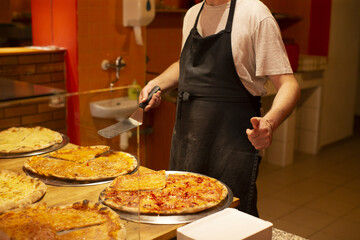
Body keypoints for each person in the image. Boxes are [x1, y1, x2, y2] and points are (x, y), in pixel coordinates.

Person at [139, 0, 300, 217]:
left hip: (230, 150)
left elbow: (289, 85)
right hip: (187, 145)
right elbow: (184, 64)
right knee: (182, 216)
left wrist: (269, 123)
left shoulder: (255, 13)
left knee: (229, 222)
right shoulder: (192, 14)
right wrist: (156, 82)